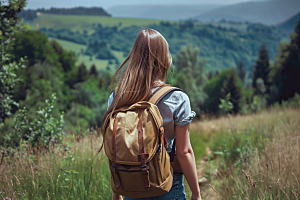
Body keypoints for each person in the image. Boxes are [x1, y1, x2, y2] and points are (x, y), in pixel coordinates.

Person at [103, 29, 202, 200]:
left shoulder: (117, 97)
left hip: (129, 184)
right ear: (165, 58)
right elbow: (184, 152)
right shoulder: (176, 98)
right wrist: (196, 193)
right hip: (167, 184)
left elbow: (118, 147)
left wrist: (117, 192)